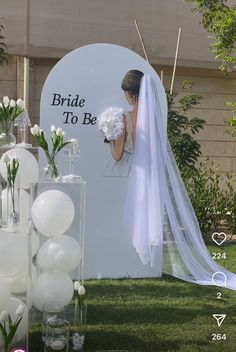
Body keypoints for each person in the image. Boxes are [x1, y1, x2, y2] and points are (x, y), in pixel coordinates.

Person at [103, 70, 143, 177]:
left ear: (131, 93)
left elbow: (117, 155)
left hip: (126, 170)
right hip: (145, 170)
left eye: (125, 91)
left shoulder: (124, 118)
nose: (124, 95)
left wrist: (110, 138)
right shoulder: (152, 118)